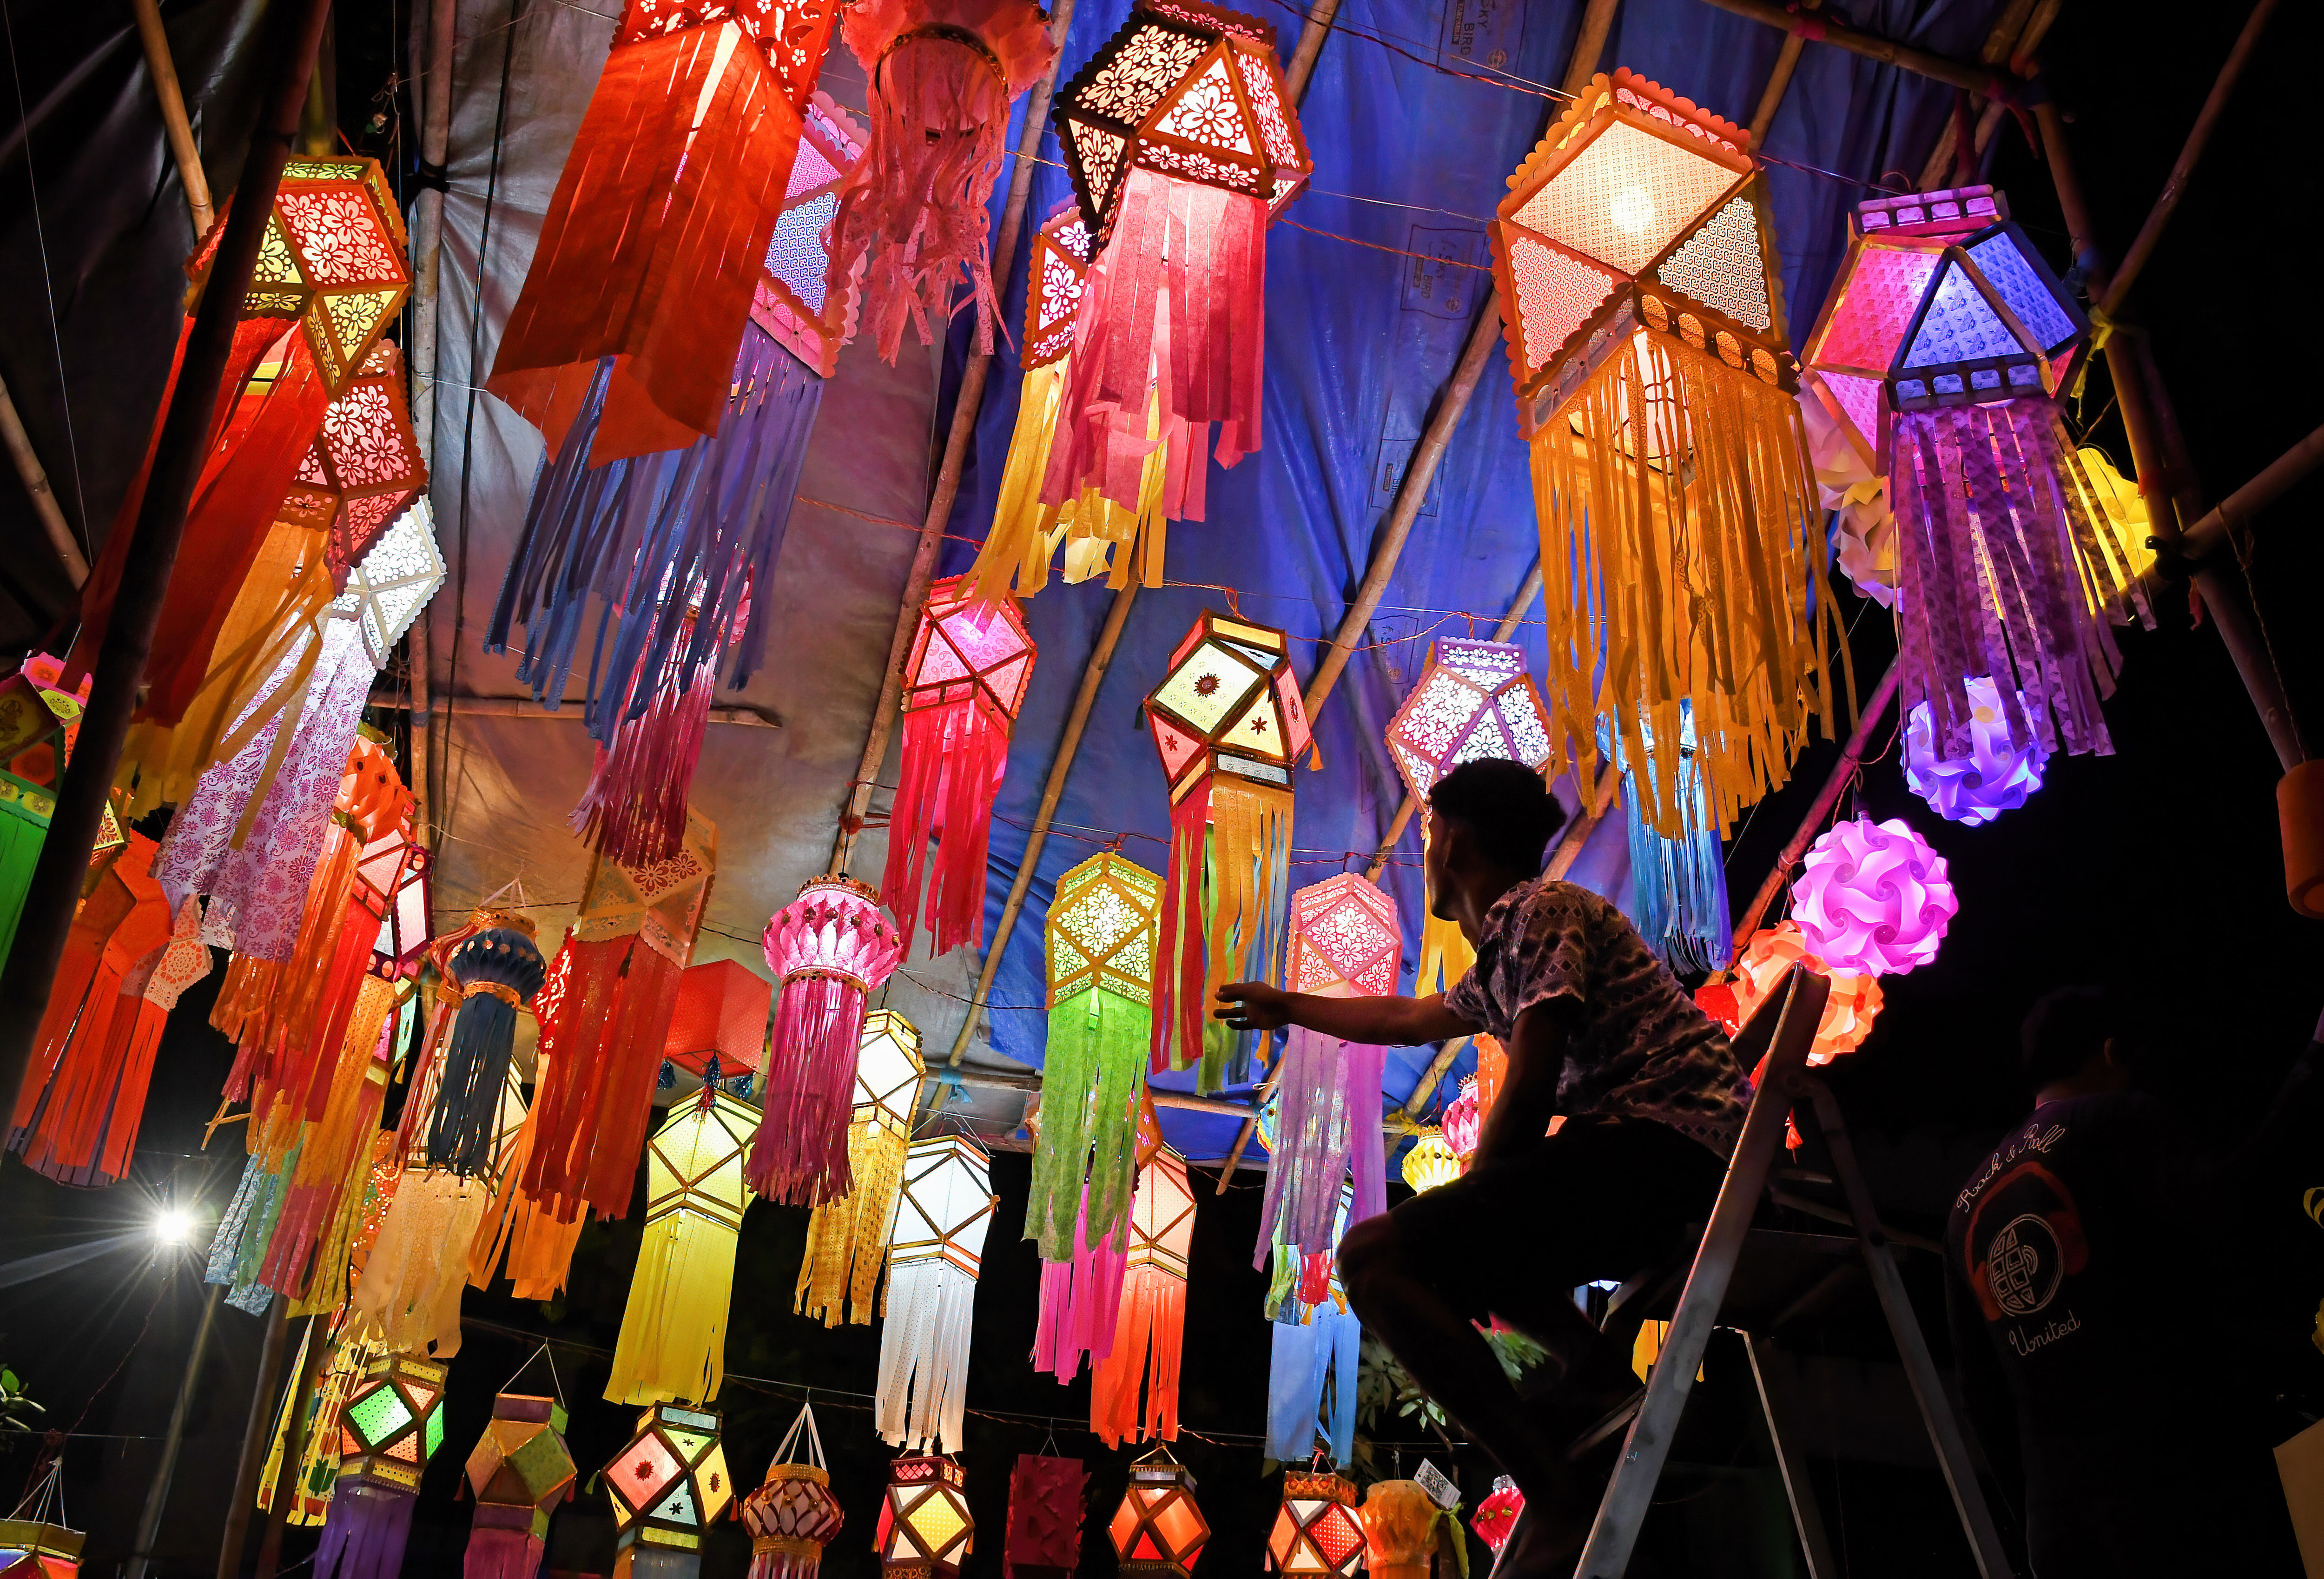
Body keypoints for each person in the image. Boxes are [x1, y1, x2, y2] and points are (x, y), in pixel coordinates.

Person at [1215, 758, 1749, 1575]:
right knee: (1442, 1257)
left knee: (1376, 1257)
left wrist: (1465, 1212)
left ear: (1451, 839)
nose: (1426, 850)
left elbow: (1531, 1079)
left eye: (1428, 834)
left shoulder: (1542, 912)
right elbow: (1406, 1017)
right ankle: (1596, 1375)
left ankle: (1554, 1480)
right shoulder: (1506, 948)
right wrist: (1290, 1007)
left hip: (1671, 1150)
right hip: (1647, 1154)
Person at [1945, 986, 2319, 1579]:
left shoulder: (1965, 1205)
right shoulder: (2117, 1119)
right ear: (2113, 1052)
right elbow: (2230, 1209)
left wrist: (2038, 1520)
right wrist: (2310, 1071)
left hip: (2061, 1529)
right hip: (2183, 1494)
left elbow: (1979, 1396)